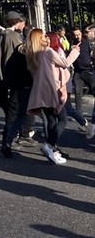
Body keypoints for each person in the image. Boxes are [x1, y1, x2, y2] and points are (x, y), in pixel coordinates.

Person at [26, 28, 78, 165]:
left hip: (41, 92)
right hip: (50, 90)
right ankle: (49, 145)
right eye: (44, 36)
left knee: (52, 120)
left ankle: (53, 150)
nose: (47, 38)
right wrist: (75, 51)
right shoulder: (47, 52)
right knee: (62, 120)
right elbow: (65, 63)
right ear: (39, 39)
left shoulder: (33, 54)